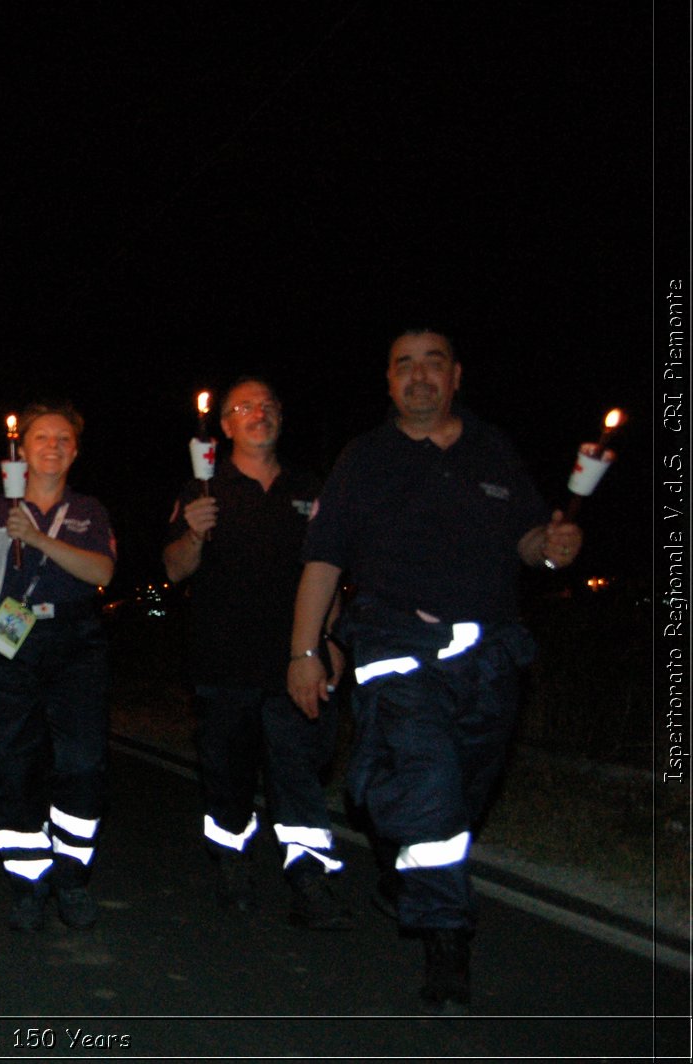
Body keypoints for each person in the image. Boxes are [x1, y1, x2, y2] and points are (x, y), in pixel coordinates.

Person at [286, 328, 583, 1012]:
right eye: (404, 367)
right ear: (388, 383)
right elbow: (324, 561)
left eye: (434, 364)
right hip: (395, 644)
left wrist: (552, 547)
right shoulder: (364, 458)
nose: (419, 377)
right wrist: (304, 653)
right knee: (431, 782)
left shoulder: (493, 448)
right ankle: (447, 938)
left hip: (489, 653)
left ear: (455, 377)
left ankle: (405, 852)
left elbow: (532, 542)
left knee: (465, 790)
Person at [163, 377, 351, 928]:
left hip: (296, 663)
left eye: (268, 405)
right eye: (244, 407)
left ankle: (310, 882)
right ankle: (231, 863)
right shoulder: (202, 490)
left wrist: (331, 642)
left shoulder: (310, 489)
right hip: (223, 665)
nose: (258, 413)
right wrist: (195, 536)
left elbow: (331, 571)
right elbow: (174, 570)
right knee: (228, 776)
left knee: (298, 775)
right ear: (224, 426)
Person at [0, 402, 117, 931]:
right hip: (11, 641)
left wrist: (34, 538)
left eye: (62, 439)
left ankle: (72, 879)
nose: (52, 446)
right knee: (12, 765)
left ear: (74, 451)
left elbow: (99, 570)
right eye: (40, 438)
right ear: (22, 450)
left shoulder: (89, 510)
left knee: (81, 765)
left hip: (75, 641)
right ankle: (28, 885)